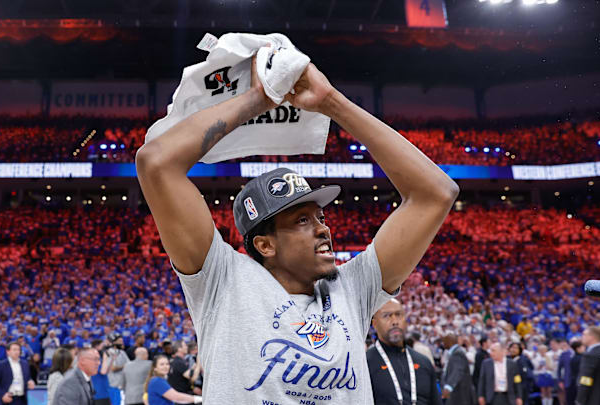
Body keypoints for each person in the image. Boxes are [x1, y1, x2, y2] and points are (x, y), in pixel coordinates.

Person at [135, 42, 458, 403]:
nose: (324, 229)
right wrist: (262, 97)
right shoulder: (223, 281)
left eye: (321, 217)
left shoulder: (352, 289)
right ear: (265, 244)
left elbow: (437, 193)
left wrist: (330, 102)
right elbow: (156, 162)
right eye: (302, 220)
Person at [366, 299, 441, 405]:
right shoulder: (365, 364)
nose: (395, 321)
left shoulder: (423, 362)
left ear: (406, 320)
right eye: (387, 316)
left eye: (398, 314)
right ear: (374, 323)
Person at [441, 333, 475, 405]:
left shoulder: (457, 353)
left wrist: (448, 387)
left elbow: (457, 371)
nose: (443, 343)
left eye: (444, 341)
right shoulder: (454, 352)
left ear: (450, 342)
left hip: (459, 394)